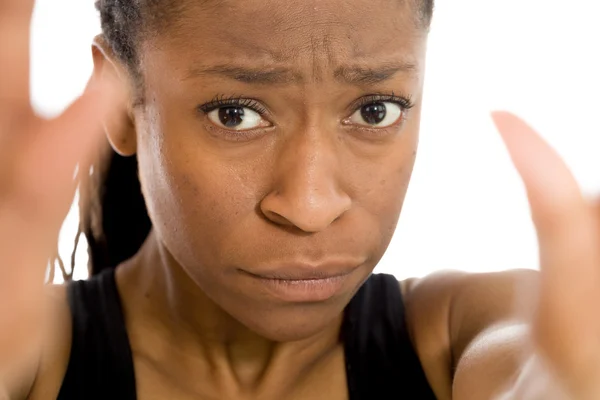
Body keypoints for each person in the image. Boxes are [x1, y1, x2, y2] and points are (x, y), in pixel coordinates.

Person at [1, 0, 599, 399]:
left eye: (375, 110)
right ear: (118, 99)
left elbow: (533, 372)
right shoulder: (34, 362)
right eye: (234, 115)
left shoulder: (460, 337)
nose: (311, 206)